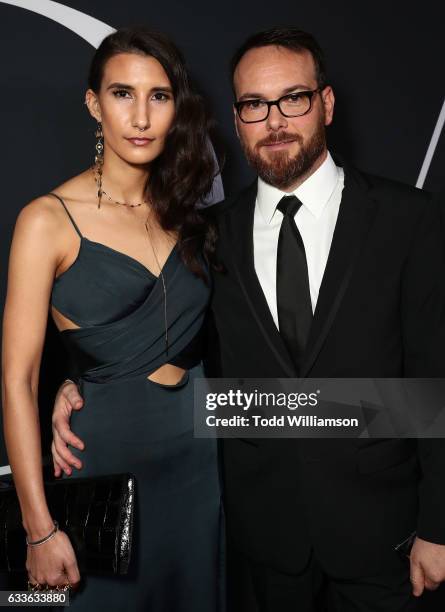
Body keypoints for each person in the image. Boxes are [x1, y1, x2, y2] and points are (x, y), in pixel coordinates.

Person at [52, 27, 445, 611]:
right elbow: (178, 350)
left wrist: (437, 526)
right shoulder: (206, 236)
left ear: (327, 104)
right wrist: (79, 378)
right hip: (259, 546)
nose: (276, 121)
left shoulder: (409, 219)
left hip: (386, 541)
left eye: (294, 98)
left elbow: (434, 379)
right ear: (236, 122)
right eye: (255, 106)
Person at [2, 26, 224, 612]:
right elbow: (17, 382)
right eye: (123, 94)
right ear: (93, 103)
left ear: (178, 106)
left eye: (160, 95)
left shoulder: (188, 212)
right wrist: (39, 529)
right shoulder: (47, 220)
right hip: (106, 473)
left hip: (200, 470)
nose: (142, 116)